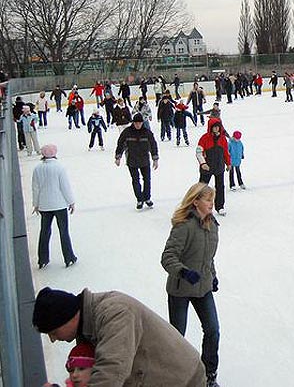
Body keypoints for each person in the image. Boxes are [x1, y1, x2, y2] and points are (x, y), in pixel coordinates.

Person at [32, 286, 206, 386]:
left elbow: (110, 373)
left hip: (184, 381)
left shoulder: (115, 313)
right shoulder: (86, 327)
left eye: (53, 332)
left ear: (68, 318)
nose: (53, 339)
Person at [161, 183, 221, 387]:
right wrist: (184, 272)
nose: (212, 203)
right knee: (177, 336)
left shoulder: (212, 225)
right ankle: (173, 375)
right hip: (181, 289)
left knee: (213, 329)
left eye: (212, 199)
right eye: (207, 199)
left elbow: (208, 256)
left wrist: (212, 275)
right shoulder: (184, 225)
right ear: (195, 201)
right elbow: (167, 257)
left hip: (202, 287)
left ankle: (209, 374)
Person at [32, 144, 77, 269]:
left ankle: (42, 258)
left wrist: (36, 204)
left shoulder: (37, 169)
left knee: (44, 231)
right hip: (59, 204)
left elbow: (35, 188)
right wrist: (71, 202)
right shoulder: (59, 168)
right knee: (63, 231)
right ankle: (69, 257)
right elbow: (65, 187)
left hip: (45, 205)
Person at [115, 113, 159, 209]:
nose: (138, 125)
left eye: (139, 123)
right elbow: (120, 144)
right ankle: (139, 199)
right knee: (135, 180)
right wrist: (118, 157)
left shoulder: (147, 132)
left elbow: (153, 145)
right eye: (136, 123)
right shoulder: (127, 132)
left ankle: (147, 198)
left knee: (147, 180)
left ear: (142, 123)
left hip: (144, 160)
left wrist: (155, 158)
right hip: (132, 160)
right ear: (133, 123)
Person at [196, 119, 231, 215]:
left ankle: (220, 206)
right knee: (202, 187)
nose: (216, 128)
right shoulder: (204, 138)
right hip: (207, 168)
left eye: (218, 126)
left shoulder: (223, 138)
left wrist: (228, 163)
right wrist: (203, 164)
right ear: (210, 127)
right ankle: (198, 206)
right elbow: (199, 152)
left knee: (220, 187)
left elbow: (226, 152)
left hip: (219, 167)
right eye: (214, 126)